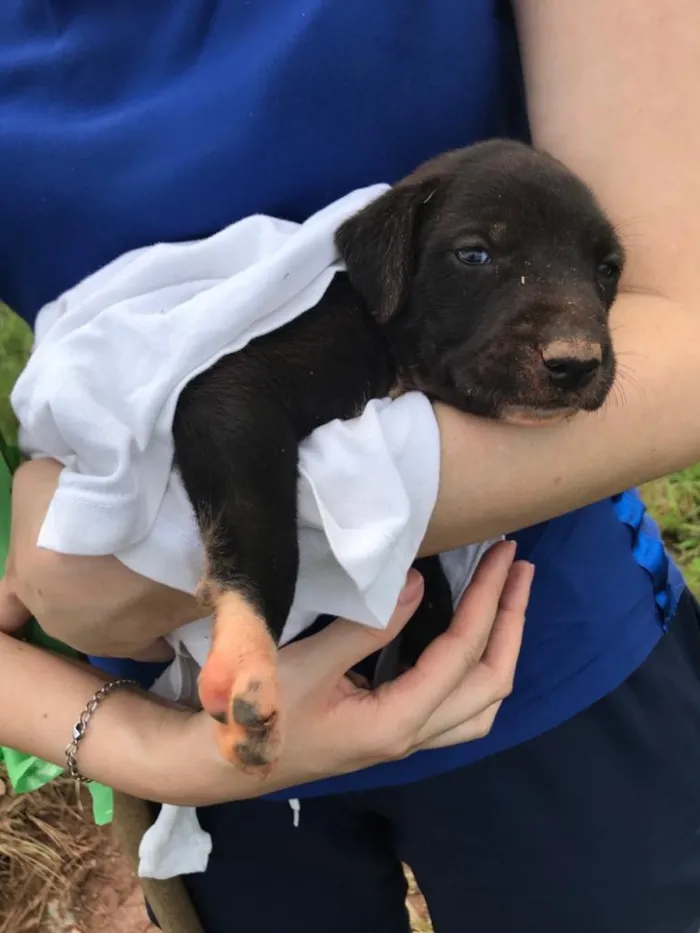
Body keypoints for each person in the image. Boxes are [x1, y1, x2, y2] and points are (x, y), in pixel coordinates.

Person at [1, 1, 700, 931]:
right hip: (211, 730)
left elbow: (683, 330)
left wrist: (144, 554)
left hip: (545, 646)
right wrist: (143, 748)